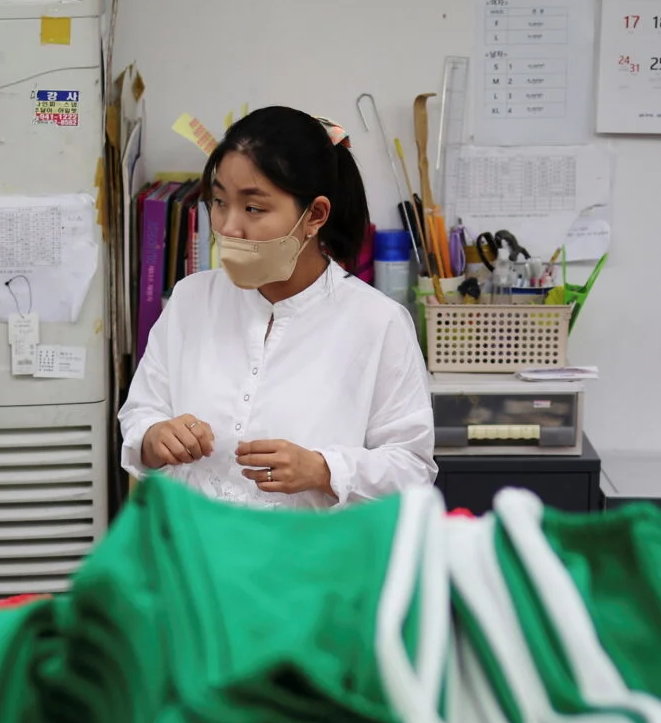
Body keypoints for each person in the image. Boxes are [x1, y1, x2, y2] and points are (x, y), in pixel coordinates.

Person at [119, 106, 433, 508]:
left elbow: (412, 469)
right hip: (195, 541)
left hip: (308, 547)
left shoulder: (378, 322)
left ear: (314, 215)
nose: (228, 226)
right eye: (219, 201)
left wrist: (324, 470)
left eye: (253, 208)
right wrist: (154, 437)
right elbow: (140, 413)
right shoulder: (190, 299)